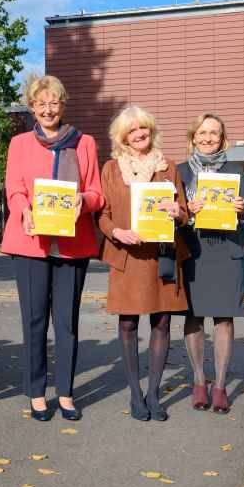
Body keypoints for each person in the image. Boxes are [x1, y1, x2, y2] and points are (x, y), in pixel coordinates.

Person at [1, 75, 104, 422]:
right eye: (41, 103)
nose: (48, 109)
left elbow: (96, 192)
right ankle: (35, 392)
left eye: (54, 102)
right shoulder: (19, 144)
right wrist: (24, 210)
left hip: (72, 244)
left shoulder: (85, 143)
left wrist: (83, 200)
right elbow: (14, 188)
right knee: (33, 322)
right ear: (32, 107)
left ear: (63, 105)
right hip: (30, 242)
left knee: (67, 323)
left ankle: (66, 392)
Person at [96, 105, 189, 421]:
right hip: (128, 256)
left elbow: (185, 211)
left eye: (143, 129)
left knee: (162, 323)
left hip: (161, 255)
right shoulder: (111, 169)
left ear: (151, 131)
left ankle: (153, 393)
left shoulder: (169, 167)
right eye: (132, 130)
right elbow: (103, 215)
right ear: (122, 137)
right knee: (128, 323)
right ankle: (135, 394)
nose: (139, 134)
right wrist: (118, 232)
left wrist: (179, 213)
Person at [177, 113, 244, 414]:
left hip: (226, 252)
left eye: (214, 134)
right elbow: (172, 215)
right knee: (193, 317)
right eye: (202, 133)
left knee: (224, 319)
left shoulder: (236, 172)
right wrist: (187, 212)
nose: (208, 138)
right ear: (193, 136)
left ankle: (219, 386)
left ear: (223, 139)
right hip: (194, 251)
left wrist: (242, 210)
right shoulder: (178, 172)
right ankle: (198, 381)